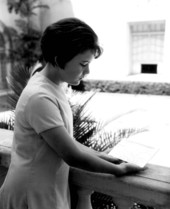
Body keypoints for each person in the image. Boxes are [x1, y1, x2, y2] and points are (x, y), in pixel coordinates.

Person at [0, 17, 144, 209]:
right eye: (83, 64)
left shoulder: (52, 84)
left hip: (46, 188)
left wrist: (102, 155)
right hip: (31, 193)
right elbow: (71, 154)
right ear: (59, 60)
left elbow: (64, 140)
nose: (88, 71)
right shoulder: (40, 97)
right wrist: (119, 170)